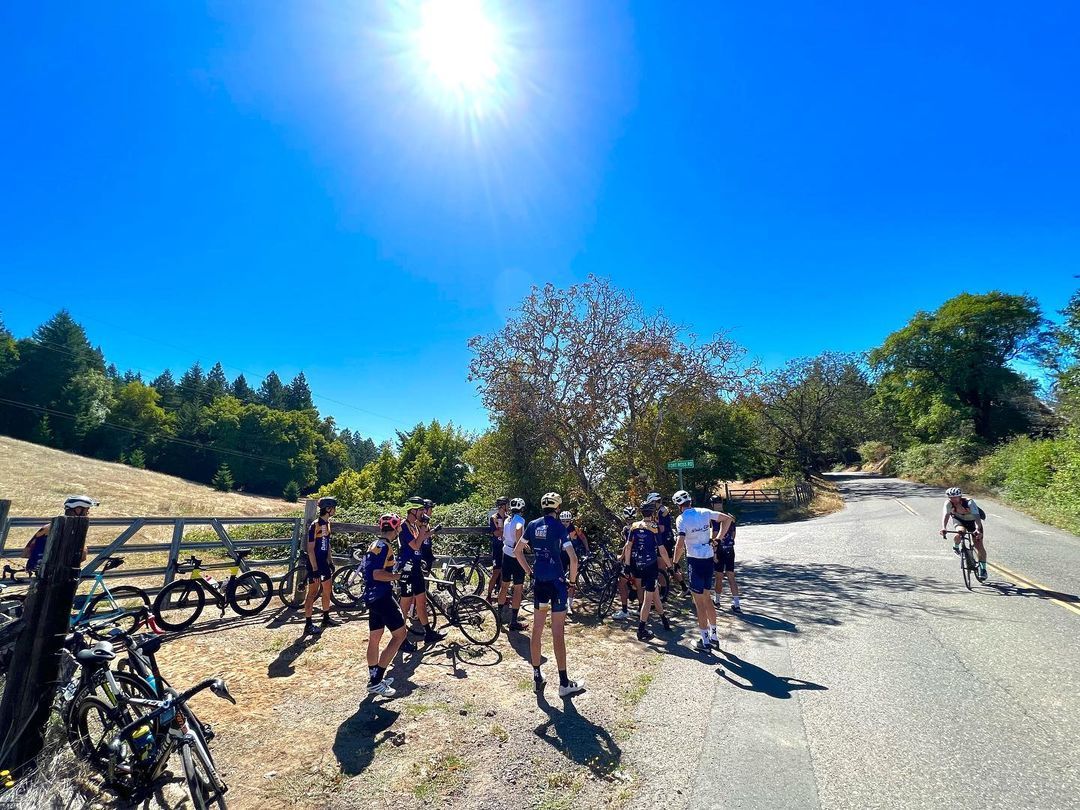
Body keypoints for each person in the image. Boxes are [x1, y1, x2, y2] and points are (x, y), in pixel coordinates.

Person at [518, 492, 585, 697]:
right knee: (557, 633)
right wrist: (572, 582)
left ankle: (537, 676)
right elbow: (573, 559)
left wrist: (529, 572)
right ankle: (564, 683)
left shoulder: (532, 525)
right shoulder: (559, 527)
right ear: (557, 509)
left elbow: (518, 550)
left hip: (540, 582)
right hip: (557, 583)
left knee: (537, 629)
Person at [673, 490, 733, 652]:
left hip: (695, 561)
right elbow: (727, 519)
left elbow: (679, 544)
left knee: (699, 603)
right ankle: (714, 636)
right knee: (707, 599)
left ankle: (705, 641)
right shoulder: (704, 512)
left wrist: (674, 562)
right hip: (708, 559)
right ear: (690, 501)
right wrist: (718, 539)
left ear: (678, 505)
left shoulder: (681, 519)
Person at [364, 513, 409, 697]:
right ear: (396, 528)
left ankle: (375, 677)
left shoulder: (376, 544)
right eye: (399, 527)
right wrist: (399, 577)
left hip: (371, 596)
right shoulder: (385, 547)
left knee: (375, 637)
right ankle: (376, 680)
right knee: (400, 635)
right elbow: (377, 574)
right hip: (382, 596)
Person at [622, 500, 673, 641]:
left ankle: (664, 620)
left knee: (654, 593)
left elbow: (628, 546)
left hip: (637, 564)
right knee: (648, 598)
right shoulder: (654, 527)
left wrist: (627, 564)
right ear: (653, 512)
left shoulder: (634, 526)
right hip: (650, 566)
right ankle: (641, 629)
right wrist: (670, 566)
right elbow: (661, 549)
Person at [23, 495, 95, 574]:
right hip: (62, 574)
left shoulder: (49, 527)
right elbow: (83, 556)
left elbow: (26, 552)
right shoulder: (76, 530)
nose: (88, 513)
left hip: (42, 571)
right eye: (86, 510)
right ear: (78, 510)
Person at [302, 496, 341, 636]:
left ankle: (325, 618)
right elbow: (310, 549)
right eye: (334, 508)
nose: (335, 510)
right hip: (315, 564)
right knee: (312, 593)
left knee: (327, 591)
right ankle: (308, 624)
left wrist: (330, 561)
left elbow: (327, 543)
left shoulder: (327, 524)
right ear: (328, 509)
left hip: (324, 564)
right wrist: (314, 569)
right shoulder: (315, 525)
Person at [940, 487, 988, 581]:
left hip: (973, 522)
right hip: (959, 521)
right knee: (960, 532)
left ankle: (983, 569)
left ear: (960, 496)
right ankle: (956, 545)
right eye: (951, 497)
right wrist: (944, 527)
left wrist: (978, 528)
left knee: (979, 546)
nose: (953, 499)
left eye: (955, 497)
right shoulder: (948, 503)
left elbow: (977, 516)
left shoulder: (969, 502)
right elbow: (946, 515)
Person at [497, 497, 528, 631]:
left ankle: (498, 617)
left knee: (504, 585)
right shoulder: (520, 520)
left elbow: (505, 535)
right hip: (515, 555)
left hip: (506, 553)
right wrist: (521, 542)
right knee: (518, 587)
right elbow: (519, 530)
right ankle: (513, 621)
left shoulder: (507, 519)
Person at [709, 495, 741, 612]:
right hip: (730, 548)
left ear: (712, 504)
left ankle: (717, 601)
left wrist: (714, 552)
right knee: (731, 576)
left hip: (720, 549)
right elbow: (733, 535)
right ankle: (736, 604)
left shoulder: (716, 518)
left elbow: (715, 535)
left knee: (719, 576)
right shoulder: (730, 517)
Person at [651, 492, 686, 597]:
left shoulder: (662, 512)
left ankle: (663, 593)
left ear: (655, 502)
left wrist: (651, 529)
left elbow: (661, 529)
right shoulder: (661, 510)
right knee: (671, 567)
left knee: (661, 567)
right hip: (668, 540)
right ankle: (684, 587)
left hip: (665, 541)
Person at [559, 511, 590, 615]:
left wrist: (587, 549)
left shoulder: (575, 528)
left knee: (573, 579)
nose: (565, 523)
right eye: (563, 521)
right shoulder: (557, 527)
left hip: (574, 555)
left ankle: (569, 604)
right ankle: (561, 601)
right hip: (562, 555)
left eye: (567, 521)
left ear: (570, 520)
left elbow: (583, 537)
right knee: (561, 578)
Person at [611, 506, 637, 620]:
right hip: (642, 559)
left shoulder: (627, 529)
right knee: (640, 585)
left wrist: (621, 557)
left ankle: (625, 610)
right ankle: (641, 609)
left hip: (630, 559)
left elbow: (627, 546)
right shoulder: (640, 526)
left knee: (621, 584)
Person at [485, 497, 510, 603]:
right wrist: (506, 531)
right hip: (497, 548)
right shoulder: (494, 517)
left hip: (507, 547)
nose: (508, 507)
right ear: (502, 505)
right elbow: (496, 533)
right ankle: (489, 595)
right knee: (496, 572)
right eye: (507, 505)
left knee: (505, 572)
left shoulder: (509, 518)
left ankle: (502, 595)